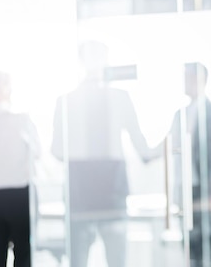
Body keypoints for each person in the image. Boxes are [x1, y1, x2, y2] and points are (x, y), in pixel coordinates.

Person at [50, 41, 153, 267]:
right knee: (107, 260)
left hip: (89, 189)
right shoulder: (117, 97)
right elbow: (144, 151)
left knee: (88, 260)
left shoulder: (67, 101)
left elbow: (57, 151)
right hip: (100, 190)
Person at [157, 62, 211, 267]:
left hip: (206, 192)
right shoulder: (179, 114)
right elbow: (167, 145)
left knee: (208, 247)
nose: (184, 82)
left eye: (188, 78)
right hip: (184, 191)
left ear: (202, 81)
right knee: (190, 249)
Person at [0, 70, 41, 267]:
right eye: (8, 85)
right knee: (23, 258)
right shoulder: (21, 120)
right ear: (0, 90)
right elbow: (37, 153)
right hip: (20, 199)